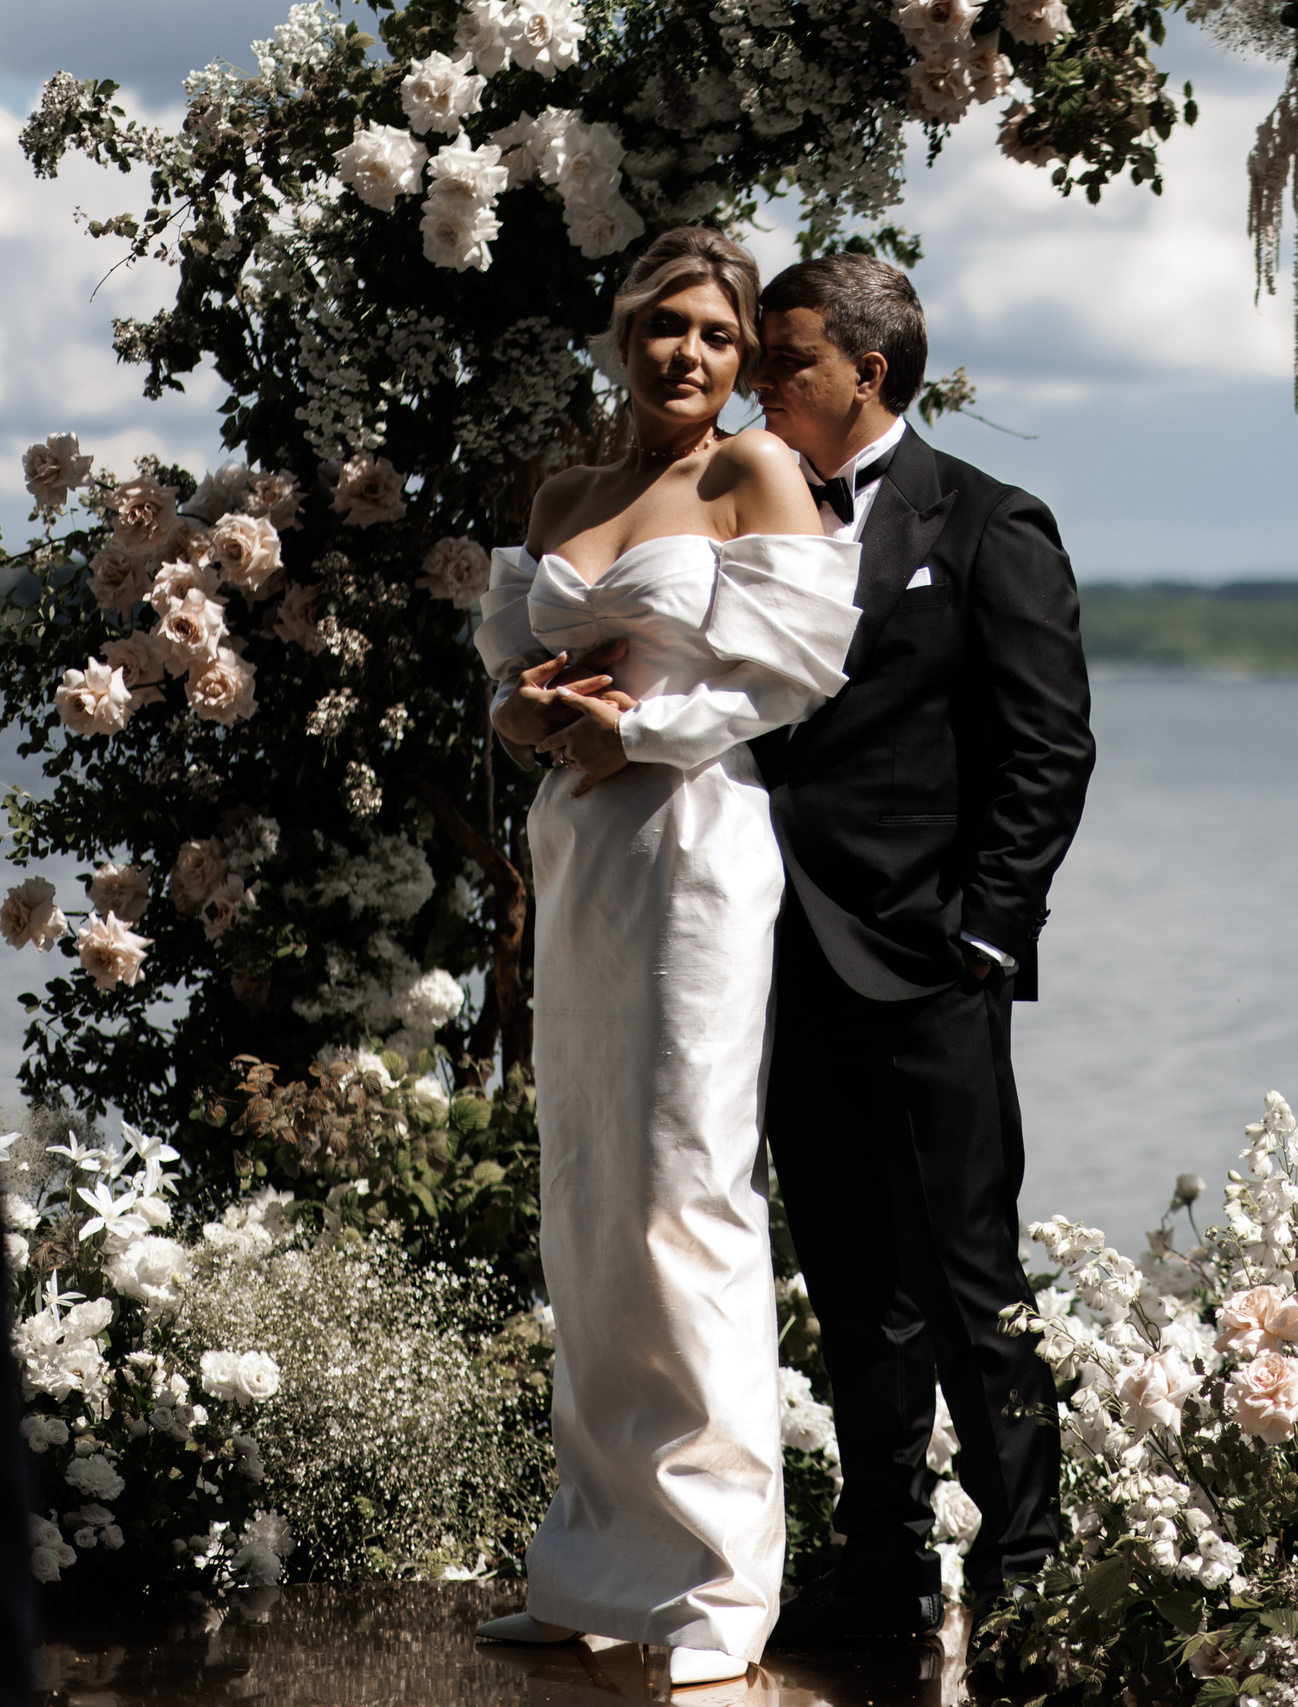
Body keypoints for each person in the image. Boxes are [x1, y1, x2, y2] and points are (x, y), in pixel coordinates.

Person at [468, 227, 856, 1689]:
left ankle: (714, 1583)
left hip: (692, 842)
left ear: (741, 351)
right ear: (618, 334)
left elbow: (792, 678)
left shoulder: (752, 475)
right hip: (578, 852)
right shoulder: (565, 491)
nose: (684, 353)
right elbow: (509, 680)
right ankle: (590, 1562)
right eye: (659, 326)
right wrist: (536, 716)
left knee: (686, 1194)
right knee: (586, 1196)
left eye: (711, 332)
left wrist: (632, 727)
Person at [746, 255, 1095, 1647]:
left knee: (968, 1281)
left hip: (934, 971)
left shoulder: (990, 522)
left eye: (788, 362)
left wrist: (989, 939)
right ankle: (883, 1568)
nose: (762, 386)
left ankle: (1028, 1578)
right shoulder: (752, 511)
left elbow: (1047, 750)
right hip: (782, 962)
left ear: (867, 373)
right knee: (845, 1282)